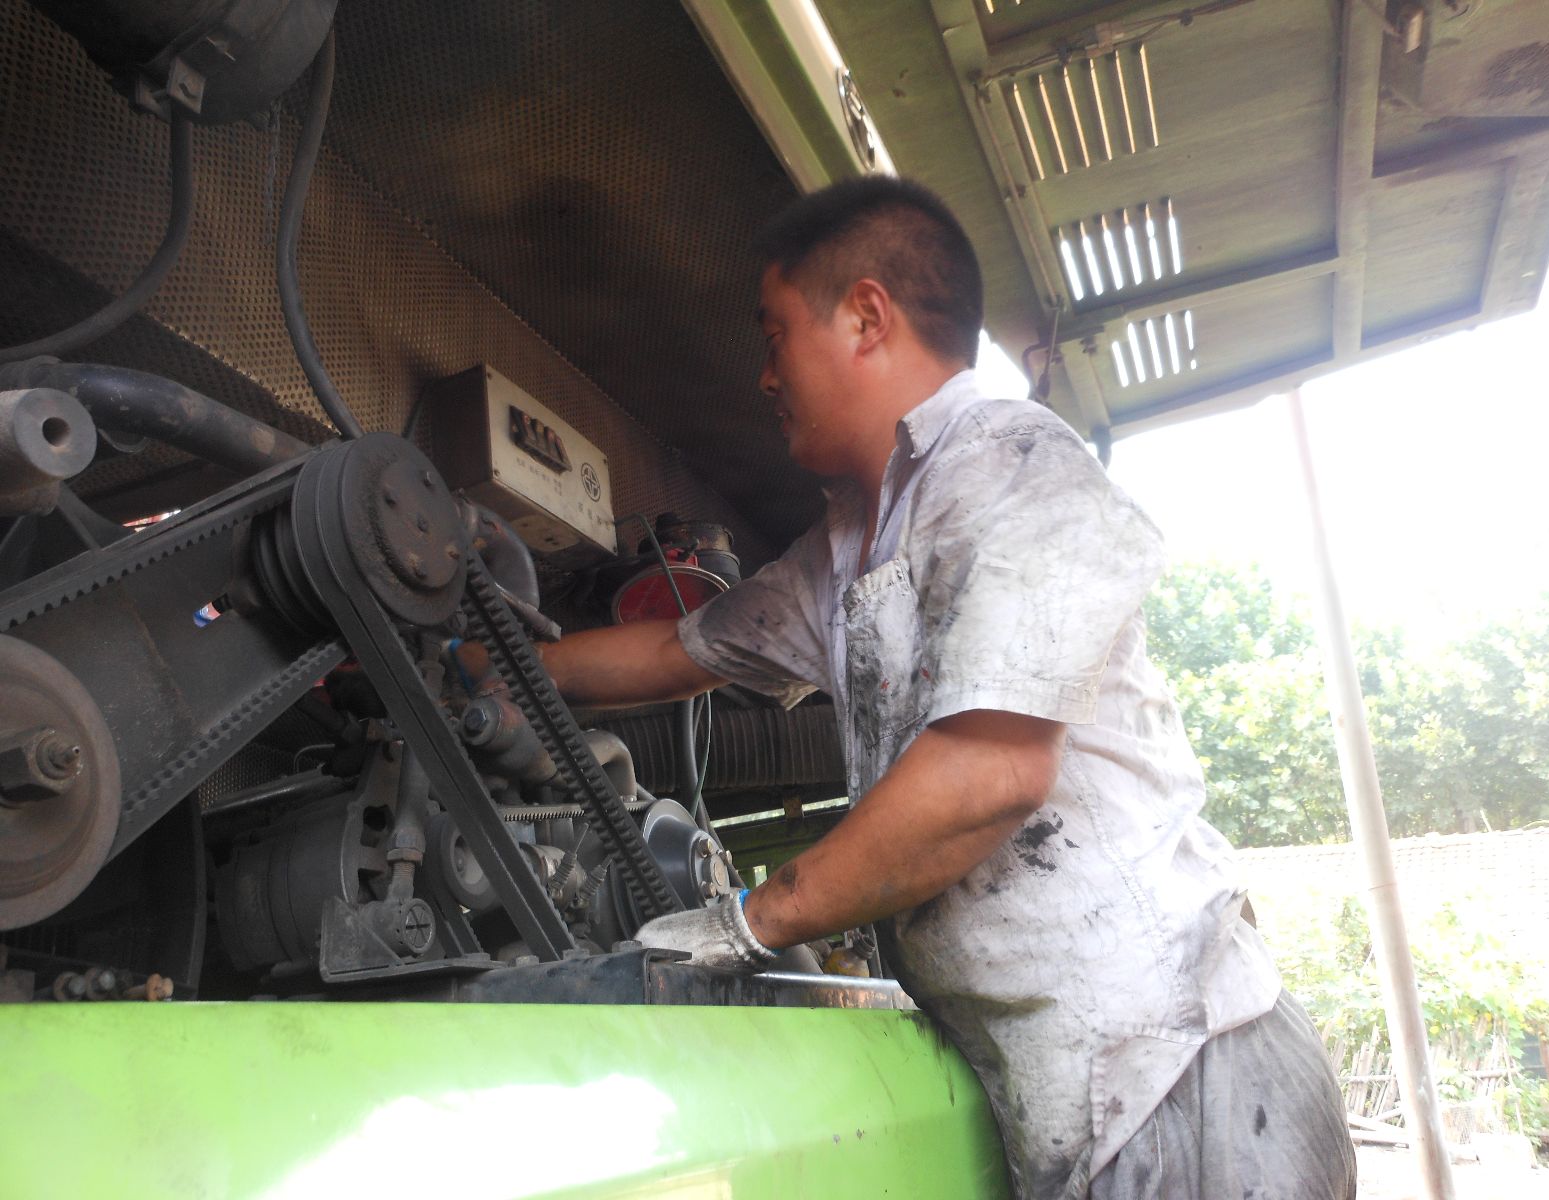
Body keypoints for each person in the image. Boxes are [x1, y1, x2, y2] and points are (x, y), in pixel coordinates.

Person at [541, 175, 1356, 1199]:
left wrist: (754, 919)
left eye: (776, 335)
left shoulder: (1011, 460)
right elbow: (676, 651)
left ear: (866, 317)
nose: (765, 375)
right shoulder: (844, 551)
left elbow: (991, 771)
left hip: (1181, 1076)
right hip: (1075, 1100)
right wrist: (494, 669)